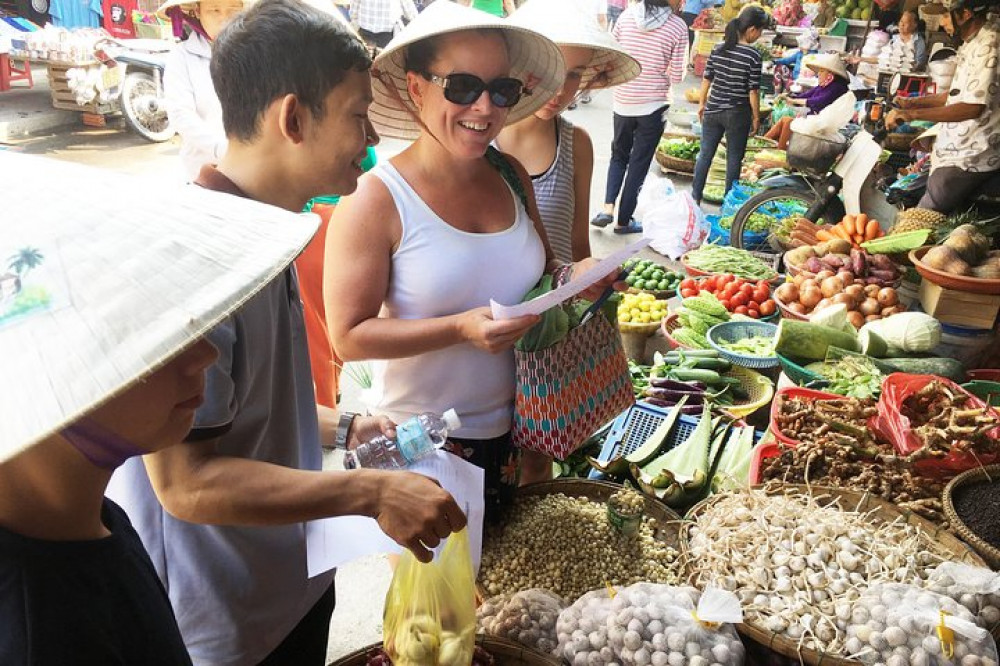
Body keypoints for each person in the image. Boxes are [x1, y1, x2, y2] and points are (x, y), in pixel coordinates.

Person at [106, 2, 467, 665]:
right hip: (226, 623)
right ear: (293, 118)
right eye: (358, 117)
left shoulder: (270, 232)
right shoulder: (199, 264)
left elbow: (251, 412)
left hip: (289, 586)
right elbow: (187, 484)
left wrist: (346, 427)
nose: (370, 142)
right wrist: (372, 491)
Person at [0, 151, 318, 664]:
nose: (206, 355)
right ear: (58, 364)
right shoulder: (40, 633)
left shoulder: (95, 520)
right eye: (157, 336)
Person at [325, 1, 618, 516]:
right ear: (416, 88)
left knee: (508, 595)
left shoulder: (510, 175)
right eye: (462, 86)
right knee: (443, 595)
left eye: (501, 90)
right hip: (424, 447)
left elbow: (547, 274)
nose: (484, 108)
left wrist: (580, 277)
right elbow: (348, 336)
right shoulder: (375, 199)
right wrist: (459, 329)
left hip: (522, 432)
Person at [497, 0, 639, 263]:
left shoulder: (577, 144)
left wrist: (587, 289)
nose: (560, 90)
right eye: (549, 70)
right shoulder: (480, 140)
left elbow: (578, 243)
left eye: (574, 74)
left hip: (555, 300)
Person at [886, 0, 999, 213]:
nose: (941, 21)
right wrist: (912, 102)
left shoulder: (990, 44)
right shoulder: (973, 41)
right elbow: (958, 95)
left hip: (974, 152)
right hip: (956, 144)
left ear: (965, 14)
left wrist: (910, 114)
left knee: (925, 214)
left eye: (946, 15)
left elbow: (973, 107)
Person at [590, 0, 687, 234]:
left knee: (618, 156)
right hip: (653, 105)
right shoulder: (678, 27)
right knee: (639, 164)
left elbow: (613, 54)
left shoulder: (626, 17)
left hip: (623, 101)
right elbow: (677, 76)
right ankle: (624, 221)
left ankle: (607, 208)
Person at [690, 6, 769, 205]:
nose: (759, 36)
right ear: (752, 29)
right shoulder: (753, 55)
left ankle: (694, 198)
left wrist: (702, 104)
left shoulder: (718, 48)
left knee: (705, 155)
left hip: (713, 109)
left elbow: (706, 79)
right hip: (737, 115)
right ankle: (728, 204)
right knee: (733, 160)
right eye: (760, 31)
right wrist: (756, 117)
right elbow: (753, 91)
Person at [160, 0, 246, 181]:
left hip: (254, 171)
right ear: (198, 12)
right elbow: (181, 114)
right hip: (203, 170)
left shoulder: (257, 53)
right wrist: (221, 149)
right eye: (214, 10)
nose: (224, 19)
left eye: (233, 10)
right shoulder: (182, 56)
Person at [765, 52, 851, 149]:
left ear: (830, 73)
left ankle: (780, 150)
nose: (818, 74)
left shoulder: (837, 87)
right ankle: (763, 143)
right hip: (815, 118)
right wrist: (789, 96)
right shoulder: (825, 84)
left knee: (787, 121)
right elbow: (807, 94)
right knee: (785, 121)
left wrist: (793, 101)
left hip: (824, 125)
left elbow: (818, 101)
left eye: (822, 71)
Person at [847, 9, 927, 80]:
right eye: (901, 21)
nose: (902, 25)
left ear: (914, 25)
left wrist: (904, 66)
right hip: (890, 76)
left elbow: (919, 64)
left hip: (906, 79)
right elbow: (883, 59)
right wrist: (861, 59)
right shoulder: (895, 39)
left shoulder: (918, 42)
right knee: (862, 74)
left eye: (906, 23)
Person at [350, 0, 418, 50]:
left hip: (365, 30)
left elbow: (354, 10)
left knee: (364, 61)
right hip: (388, 33)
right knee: (385, 63)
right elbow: (410, 12)